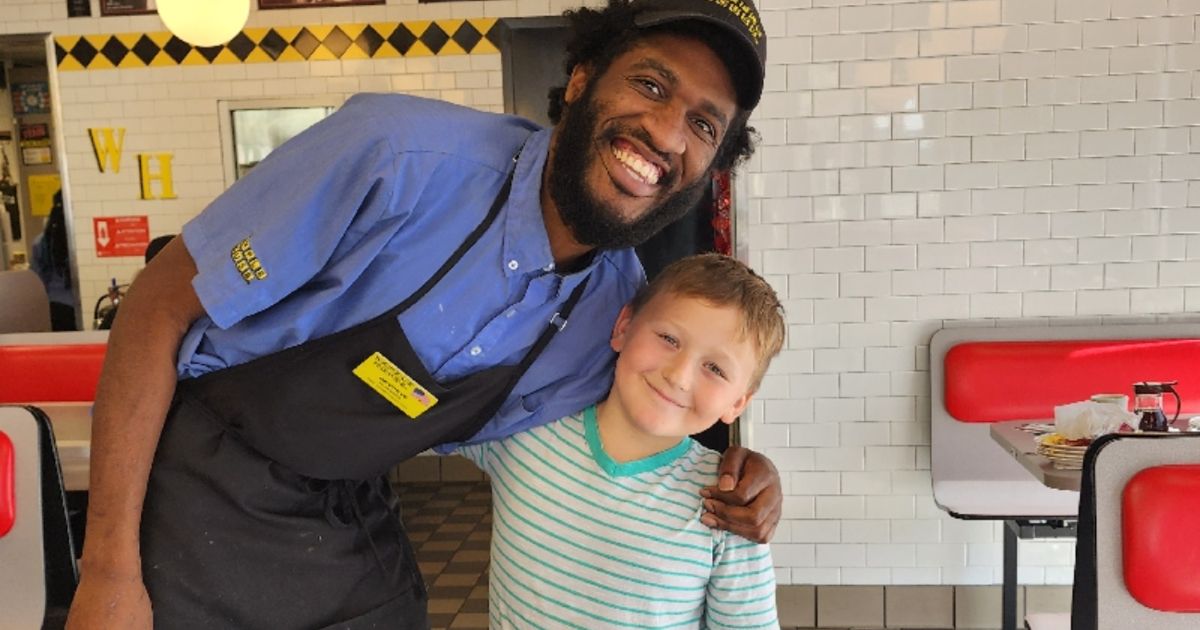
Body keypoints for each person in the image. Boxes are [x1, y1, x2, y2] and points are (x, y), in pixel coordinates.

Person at [66, 0, 779, 627]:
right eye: (651, 84)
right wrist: (105, 574)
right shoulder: (396, 155)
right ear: (584, 79)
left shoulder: (613, 315)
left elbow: (637, 423)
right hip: (194, 485)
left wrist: (743, 473)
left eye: (704, 125)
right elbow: (157, 306)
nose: (666, 132)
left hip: (345, 514)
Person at [457, 253, 784, 628]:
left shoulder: (730, 508)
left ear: (738, 403)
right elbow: (422, 427)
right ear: (624, 327)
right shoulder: (527, 430)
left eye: (715, 368)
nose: (678, 376)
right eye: (668, 338)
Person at [31, 191, 77, 331]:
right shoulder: (78, 243)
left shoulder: (41, 241)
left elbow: (38, 279)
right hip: (75, 306)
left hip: (53, 306)